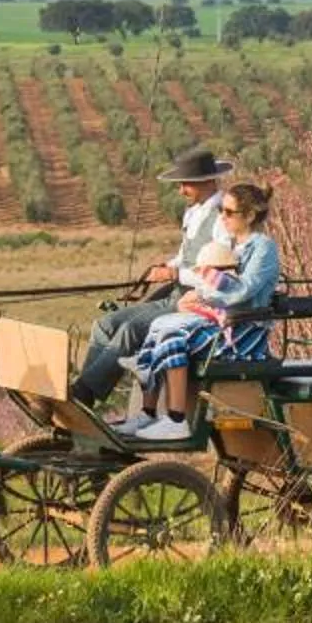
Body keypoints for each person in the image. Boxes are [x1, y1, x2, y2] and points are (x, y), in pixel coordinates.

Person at [69, 145, 234, 406]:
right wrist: (164, 268)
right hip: (178, 293)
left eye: (186, 184)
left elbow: (218, 272)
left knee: (129, 330)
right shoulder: (194, 212)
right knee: (104, 325)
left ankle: (83, 394)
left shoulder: (222, 218)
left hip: (198, 302)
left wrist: (174, 272)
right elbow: (185, 255)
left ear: (206, 181)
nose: (180, 190)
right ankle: (86, 392)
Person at [122, 182, 280, 440]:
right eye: (221, 210)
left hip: (244, 331)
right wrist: (196, 298)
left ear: (250, 216)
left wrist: (203, 295)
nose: (222, 217)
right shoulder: (232, 245)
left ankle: (176, 419)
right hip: (222, 321)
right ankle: (147, 413)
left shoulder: (262, 248)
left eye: (229, 212)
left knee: (173, 336)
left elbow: (244, 290)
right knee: (160, 325)